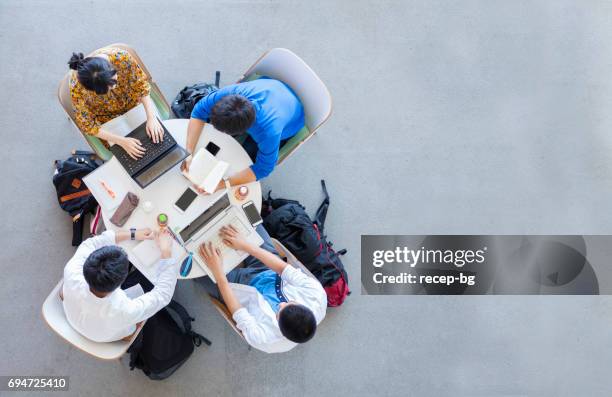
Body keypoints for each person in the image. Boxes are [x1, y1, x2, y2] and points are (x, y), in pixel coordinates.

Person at [198, 225, 326, 353]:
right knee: (248, 221)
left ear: (279, 327)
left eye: (279, 311)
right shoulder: (316, 295)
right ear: (302, 305)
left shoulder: (264, 340)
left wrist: (217, 272)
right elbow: (282, 268)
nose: (281, 304)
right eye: (288, 303)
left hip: (238, 289)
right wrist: (245, 245)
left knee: (197, 265)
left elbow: (237, 309)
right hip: (268, 268)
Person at [182, 78, 305, 192]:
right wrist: (189, 152)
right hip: (273, 87)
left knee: (247, 156)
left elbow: (264, 168)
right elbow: (199, 111)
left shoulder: (269, 132)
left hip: (291, 118)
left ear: (242, 131)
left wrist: (222, 184)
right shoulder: (230, 93)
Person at [61, 228, 179, 343]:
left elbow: (91, 243)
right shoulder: (124, 310)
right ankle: (127, 336)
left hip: (74, 315)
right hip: (103, 335)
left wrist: (133, 234)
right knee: (147, 282)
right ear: (120, 283)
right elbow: (163, 295)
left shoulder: (72, 269)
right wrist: (166, 251)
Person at [68, 48, 164, 160]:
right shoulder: (76, 87)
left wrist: (151, 117)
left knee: (157, 138)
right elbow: (87, 126)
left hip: (134, 103)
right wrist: (121, 141)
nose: (113, 87)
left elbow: (141, 86)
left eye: (113, 81)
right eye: (106, 89)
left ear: (112, 67)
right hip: (107, 118)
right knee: (130, 157)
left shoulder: (122, 58)